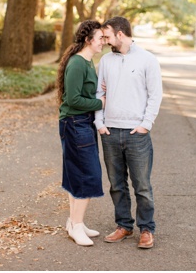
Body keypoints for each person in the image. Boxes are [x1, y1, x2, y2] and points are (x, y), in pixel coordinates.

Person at [95, 17, 163, 249]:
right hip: (110, 132)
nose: (104, 40)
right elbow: (98, 94)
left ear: (120, 34)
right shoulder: (105, 61)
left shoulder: (147, 60)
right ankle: (124, 225)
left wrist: (146, 124)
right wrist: (99, 123)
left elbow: (155, 95)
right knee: (116, 184)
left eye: (107, 36)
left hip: (137, 134)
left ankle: (146, 229)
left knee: (142, 185)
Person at [57, 20, 107, 246]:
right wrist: (100, 103)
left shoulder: (87, 62)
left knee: (75, 173)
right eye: (100, 38)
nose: (103, 42)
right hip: (75, 123)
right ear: (88, 40)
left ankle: (74, 222)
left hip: (81, 123)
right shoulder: (77, 64)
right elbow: (73, 100)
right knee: (89, 173)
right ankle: (76, 226)